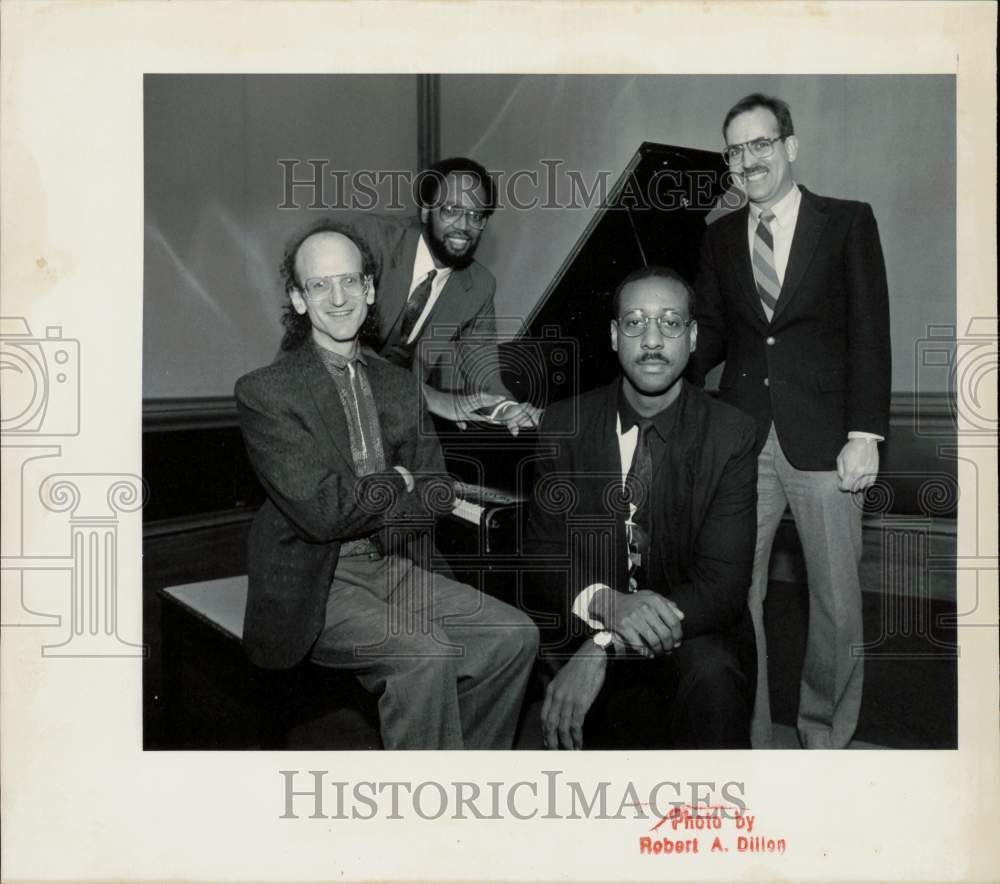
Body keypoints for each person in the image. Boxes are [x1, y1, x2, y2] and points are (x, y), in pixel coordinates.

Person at [234, 220, 538, 749]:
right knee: (425, 655)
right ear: (298, 300)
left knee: (513, 636)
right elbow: (321, 513)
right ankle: (422, 816)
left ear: (370, 290)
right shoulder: (265, 392)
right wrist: (397, 482)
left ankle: (467, 793)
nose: (337, 297)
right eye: (319, 285)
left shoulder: (399, 385)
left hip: (395, 560)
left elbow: (438, 489)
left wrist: (396, 494)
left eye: (350, 281)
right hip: (315, 580)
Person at [688, 93, 891, 749]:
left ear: (790, 146)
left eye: (761, 145)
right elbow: (716, 334)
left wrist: (866, 435)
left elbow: (870, 333)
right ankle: (748, 738)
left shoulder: (846, 222)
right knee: (734, 593)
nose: (749, 161)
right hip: (742, 439)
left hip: (828, 442)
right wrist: (665, 365)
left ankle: (825, 738)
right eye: (736, 150)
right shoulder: (719, 237)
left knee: (836, 604)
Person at [524, 266, 758, 750]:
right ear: (613, 336)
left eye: (670, 323)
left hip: (691, 630)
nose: (652, 340)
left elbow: (723, 589)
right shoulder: (563, 422)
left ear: (693, 338)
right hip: (584, 622)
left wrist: (607, 642)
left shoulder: (730, 433)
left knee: (713, 675)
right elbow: (542, 555)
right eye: (634, 322)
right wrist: (607, 606)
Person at [348, 156, 542, 434]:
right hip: (318, 394)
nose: (464, 225)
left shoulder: (479, 286)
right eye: (451, 210)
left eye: (477, 216)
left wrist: (507, 410)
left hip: (390, 417)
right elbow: (342, 342)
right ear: (425, 211)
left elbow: (485, 377)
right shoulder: (373, 239)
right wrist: (432, 398)